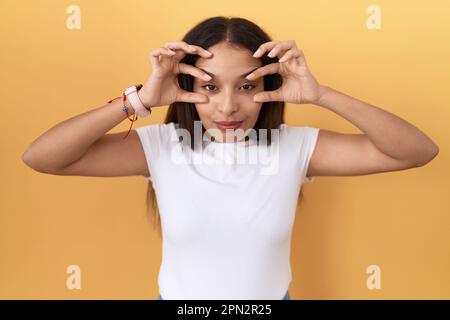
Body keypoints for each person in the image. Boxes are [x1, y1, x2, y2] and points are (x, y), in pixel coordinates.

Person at [22, 16, 439, 300]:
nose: (227, 108)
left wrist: (320, 94)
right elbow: (42, 157)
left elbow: (417, 151)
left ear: (269, 85)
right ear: (183, 86)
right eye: (209, 87)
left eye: (244, 87)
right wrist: (139, 100)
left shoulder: (293, 146)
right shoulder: (162, 146)